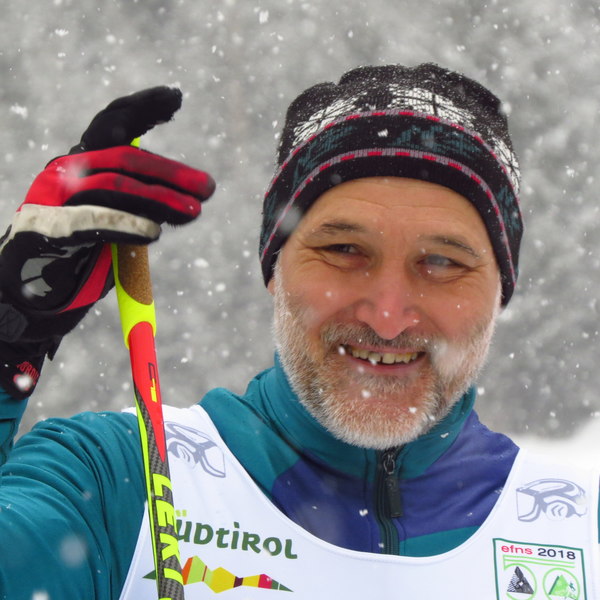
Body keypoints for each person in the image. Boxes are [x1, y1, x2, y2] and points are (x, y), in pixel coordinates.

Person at [0, 65, 597, 599]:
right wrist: (9, 336)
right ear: (274, 269)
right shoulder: (113, 481)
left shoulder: (579, 533)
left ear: (500, 291)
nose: (387, 316)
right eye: (343, 250)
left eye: (442, 262)